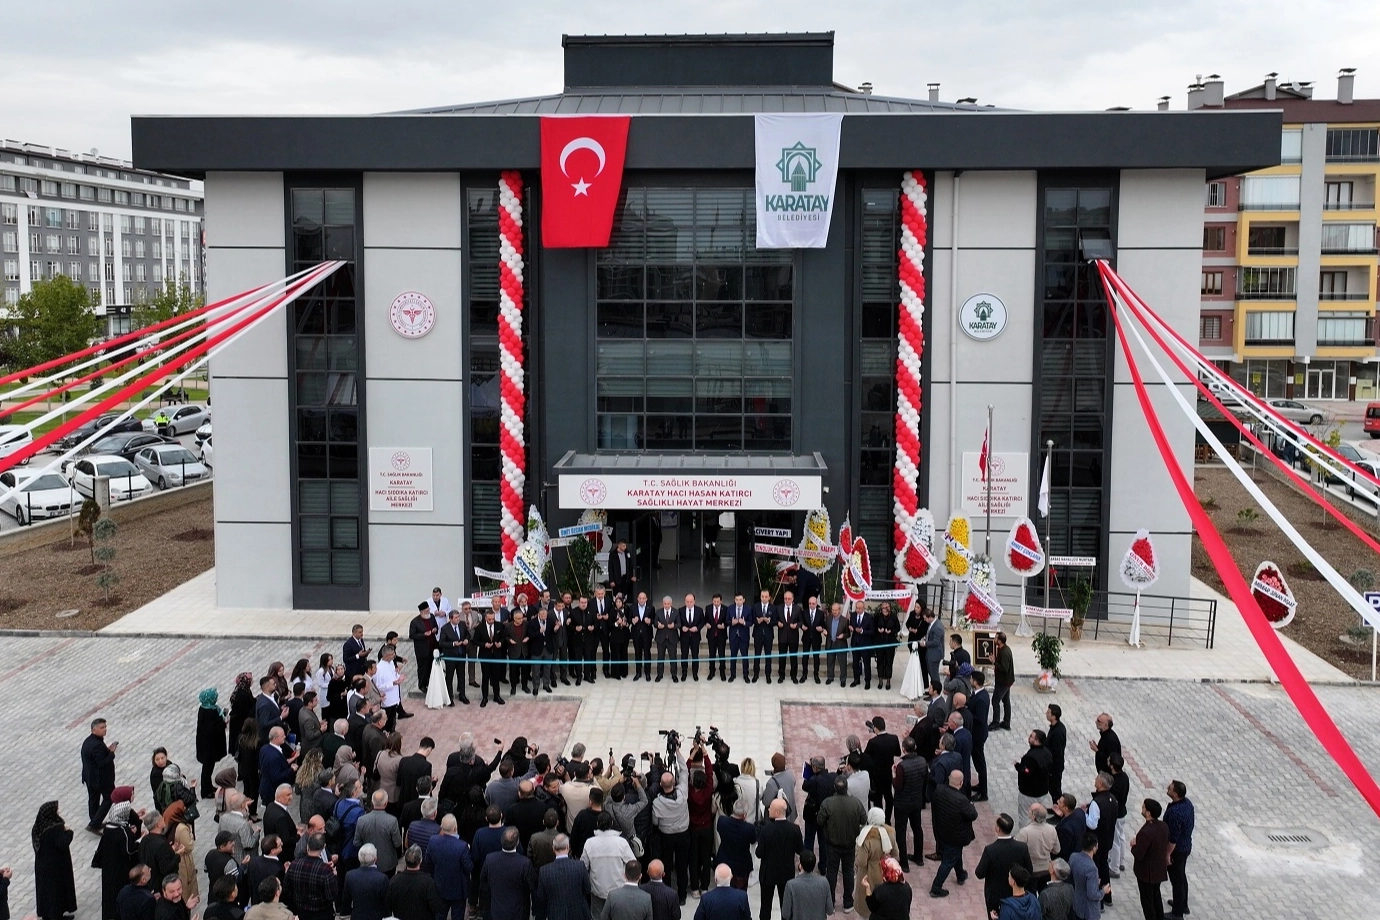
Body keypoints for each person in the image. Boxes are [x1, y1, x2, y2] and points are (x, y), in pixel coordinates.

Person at [816, 775, 865, 913]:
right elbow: (863, 819)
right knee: (848, 872)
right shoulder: (856, 803)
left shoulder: (827, 803)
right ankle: (848, 903)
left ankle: (830, 903)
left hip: (832, 844)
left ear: (834, 788)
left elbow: (820, 821)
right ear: (847, 788)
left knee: (831, 872)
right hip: (850, 843)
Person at [650, 750, 691, 904]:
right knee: (682, 864)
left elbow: (655, 822)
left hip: (666, 836)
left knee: (666, 864)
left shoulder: (657, 803)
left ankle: (667, 892)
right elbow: (684, 772)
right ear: (674, 783)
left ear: (661, 784)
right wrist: (678, 752)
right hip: (683, 834)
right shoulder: (683, 794)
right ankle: (682, 895)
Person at [928, 770, 977, 899]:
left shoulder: (939, 790)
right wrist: (971, 805)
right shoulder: (962, 800)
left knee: (955, 854)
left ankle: (960, 875)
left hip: (943, 831)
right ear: (961, 783)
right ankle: (936, 887)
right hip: (956, 835)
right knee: (948, 861)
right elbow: (973, 815)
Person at [94, 793, 141, 920]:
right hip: (119, 869)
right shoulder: (122, 831)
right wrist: (138, 840)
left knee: (108, 894)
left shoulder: (109, 827)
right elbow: (129, 850)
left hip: (108, 868)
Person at [974, 814, 1032, 918]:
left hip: (996, 897)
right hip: (1016, 893)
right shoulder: (1022, 847)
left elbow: (979, 873)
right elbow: (1029, 870)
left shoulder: (990, 850)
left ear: (998, 829)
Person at [755, 798, 801, 920]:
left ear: (777, 812)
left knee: (765, 906)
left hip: (768, 874)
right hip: (786, 873)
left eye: (770, 808)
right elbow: (800, 850)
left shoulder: (766, 830)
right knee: (785, 906)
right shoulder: (794, 829)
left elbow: (759, 853)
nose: (768, 810)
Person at [480, 828, 538, 920]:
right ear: (517, 843)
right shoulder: (524, 863)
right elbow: (533, 885)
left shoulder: (490, 859)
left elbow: (483, 882)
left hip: (496, 910)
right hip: (518, 912)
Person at [34, 801, 77, 920]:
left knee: (46, 891)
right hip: (56, 866)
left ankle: (47, 915)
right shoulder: (55, 827)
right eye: (56, 810)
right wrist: (69, 832)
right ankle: (57, 916)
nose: (58, 811)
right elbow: (62, 843)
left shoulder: (39, 825)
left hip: (42, 864)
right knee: (56, 891)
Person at [585, 814, 635, 914]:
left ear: (597, 824)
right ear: (611, 823)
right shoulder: (621, 842)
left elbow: (584, 866)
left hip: (597, 889)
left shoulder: (589, 843)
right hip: (618, 889)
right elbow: (632, 863)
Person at [852, 808, 897, 920]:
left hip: (868, 873)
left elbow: (861, 861)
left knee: (866, 901)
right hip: (885, 872)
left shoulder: (865, 837)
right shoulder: (890, 833)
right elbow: (896, 854)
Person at [890, 737, 926, 873]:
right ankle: (919, 857)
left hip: (902, 803)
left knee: (901, 831)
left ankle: (904, 863)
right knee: (917, 828)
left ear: (904, 749)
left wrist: (894, 774)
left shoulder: (902, 766)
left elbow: (897, 786)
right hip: (916, 801)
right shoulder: (922, 761)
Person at [536, 834, 592, 920]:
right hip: (578, 913)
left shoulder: (544, 871)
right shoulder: (580, 866)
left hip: (555, 914)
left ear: (553, 848)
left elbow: (541, 896)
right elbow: (587, 889)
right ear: (568, 847)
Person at [1130, 799, 1169, 920]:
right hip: (1159, 869)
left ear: (1148, 813)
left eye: (1143, 807)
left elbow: (1139, 854)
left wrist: (1134, 845)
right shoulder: (1163, 826)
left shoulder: (1146, 832)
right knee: (1156, 896)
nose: (1142, 808)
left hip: (1147, 874)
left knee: (1147, 901)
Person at [283, 834, 337, 920]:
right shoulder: (326, 870)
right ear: (323, 847)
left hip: (302, 912)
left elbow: (286, 889)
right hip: (322, 913)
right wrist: (334, 876)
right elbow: (332, 896)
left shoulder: (294, 865)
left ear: (308, 846)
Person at [83, 718, 120, 832]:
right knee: (109, 797)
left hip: (90, 777)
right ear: (94, 730)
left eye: (105, 727)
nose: (105, 729)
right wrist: (112, 752)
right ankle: (94, 824)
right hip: (100, 779)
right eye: (102, 727)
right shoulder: (97, 745)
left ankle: (95, 820)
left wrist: (106, 750)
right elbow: (102, 763)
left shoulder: (88, 741)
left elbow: (96, 757)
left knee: (93, 799)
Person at [1163, 781, 1194, 920]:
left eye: (1170, 788)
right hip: (1186, 845)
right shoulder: (1187, 804)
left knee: (1177, 881)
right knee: (1181, 877)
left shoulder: (1175, 813)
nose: (1167, 788)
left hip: (1177, 850)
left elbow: (1173, 839)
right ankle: (1182, 904)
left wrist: (1167, 854)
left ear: (1175, 794)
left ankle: (1177, 913)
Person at [389, 846, 444, 920]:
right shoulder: (428, 882)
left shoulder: (394, 880)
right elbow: (436, 906)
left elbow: (388, 905)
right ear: (420, 860)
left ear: (405, 860)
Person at [1014, 804, 1059, 894]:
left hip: (1031, 871)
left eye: (1030, 810)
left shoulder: (1025, 832)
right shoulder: (1052, 829)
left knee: (1031, 895)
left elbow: (1016, 851)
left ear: (1033, 816)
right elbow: (1057, 850)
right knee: (1045, 895)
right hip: (1047, 869)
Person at [1014, 730, 1053, 830]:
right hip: (1043, 791)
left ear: (1037, 741)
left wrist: (1018, 766)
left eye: (1031, 736)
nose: (1029, 737)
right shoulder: (1047, 752)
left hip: (1029, 793)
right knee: (1039, 814)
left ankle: (1025, 836)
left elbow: (1026, 772)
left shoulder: (1031, 757)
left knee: (1025, 815)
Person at [863, 717, 901, 821]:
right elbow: (898, 753)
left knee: (877, 797)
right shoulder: (894, 738)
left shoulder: (873, 742)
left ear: (875, 728)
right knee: (888, 796)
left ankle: (879, 819)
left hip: (876, 775)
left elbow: (866, 756)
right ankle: (887, 818)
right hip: (888, 773)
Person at [714, 799, 756, 891]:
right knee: (740, 892)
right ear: (744, 815)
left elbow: (718, 829)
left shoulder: (722, 821)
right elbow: (753, 841)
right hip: (741, 866)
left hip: (724, 861)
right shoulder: (749, 828)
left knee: (723, 891)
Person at [341, 845, 391, 920]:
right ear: (375, 859)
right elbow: (387, 904)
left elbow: (346, 901)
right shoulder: (382, 878)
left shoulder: (350, 876)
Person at [163, 801, 199, 904]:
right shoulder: (182, 828)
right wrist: (190, 834)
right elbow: (189, 846)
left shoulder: (171, 824)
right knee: (187, 887)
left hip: (179, 857)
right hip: (184, 861)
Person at [781, 851, 830, 920]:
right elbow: (830, 910)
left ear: (800, 865)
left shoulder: (790, 885)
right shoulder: (824, 882)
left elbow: (786, 914)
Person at [1071, 834, 1109, 920]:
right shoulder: (1092, 868)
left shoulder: (1073, 857)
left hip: (1077, 904)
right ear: (1094, 848)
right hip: (1088, 911)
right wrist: (1104, 891)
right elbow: (1092, 895)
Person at [439, 609, 472, 704]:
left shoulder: (462, 625)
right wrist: (453, 644)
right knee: (449, 677)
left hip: (461, 655)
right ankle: (449, 697)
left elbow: (468, 635)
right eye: (456, 617)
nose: (458, 619)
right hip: (450, 657)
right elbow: (441, 643)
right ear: (450, 619)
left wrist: (466, 640)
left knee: (461, 676)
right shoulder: (445, 628)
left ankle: (462, 695)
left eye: (458, 617)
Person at [1106, 755, 1131, 879]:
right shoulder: (1124, 776)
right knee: (1121, 837)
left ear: (1111, 766)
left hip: (1116, 814)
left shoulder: (1115, 783)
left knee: (1115, 840)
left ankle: (1114, 868)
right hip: (1122, 812)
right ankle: (1121, 861)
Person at [410, 600, 439, 695]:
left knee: (431, 666)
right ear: (422, 612)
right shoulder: (415, 622)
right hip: (422, 649)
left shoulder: (432, 617)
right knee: (423, 668)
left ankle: (430, 682)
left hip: (432, 646)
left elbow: (436, 626)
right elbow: (412, 635)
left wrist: (435, 629)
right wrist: (424, 635)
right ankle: (422, 685)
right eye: (426, 611)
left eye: (428, 610)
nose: (428, 612)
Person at [750, 590, 776, 685]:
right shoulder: (755, 606)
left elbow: (775, 621)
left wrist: (769, 621)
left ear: (769, 597)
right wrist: (758, 621)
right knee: (757, 655)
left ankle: (768, 675)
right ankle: (755, 674)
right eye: (762, 596)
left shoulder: (773, 608)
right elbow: (752, 619)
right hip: (758, 634)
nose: (764, 598)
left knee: (768, 655)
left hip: (768, 635)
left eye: (766, 597)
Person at [873, 603, 900, 691]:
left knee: (889, 662)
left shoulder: (894, 617)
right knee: (880, 661)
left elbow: (898, 628)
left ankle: (888, 681)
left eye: (887, 607)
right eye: (883, 608)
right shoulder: (877, 617)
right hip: (880, 642)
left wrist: (891, 631)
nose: (885, 609)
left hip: (890, 643)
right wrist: (878, 630)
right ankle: (880, 680)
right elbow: (873, 627)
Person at [678, 593, 705, 682]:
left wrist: (697, 628)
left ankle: (695, 673)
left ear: (694, 601)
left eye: (691, 601)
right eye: (687, 602)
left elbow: (702, 622)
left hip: (695, 637)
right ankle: (684, 673)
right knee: (684, 655)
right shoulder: (681, 610)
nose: (689, 603)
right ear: (685, 601)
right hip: (684, 637)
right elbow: (678, 622)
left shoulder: (699, 610)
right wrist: (682, 627)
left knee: (695, 655)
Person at [991, 632, 1015, 730]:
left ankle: (996, 723)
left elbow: (1004, 668)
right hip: (1006, 680)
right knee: (1006, 700)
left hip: (1003, 681)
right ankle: (1006, 722)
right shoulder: (1002, 649)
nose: (994, 639)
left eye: (996, 638)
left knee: (995, 700)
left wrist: (994, 663)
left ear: (1000, 641)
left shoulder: (1005, 652)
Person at [1045, 705, 1068, 803]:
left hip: (1055, 766)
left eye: (1048, 712)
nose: (1046, 714)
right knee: (1052, 787)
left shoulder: (1057, 732)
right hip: (1053, 764)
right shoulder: (1055, 727)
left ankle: (1059, 807)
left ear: (1054, 716)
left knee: (1055, 789)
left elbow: (1057, 751)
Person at [726, 593, 751, 682]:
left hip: (744, 637)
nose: (738, 601)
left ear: (743, 600)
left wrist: (744, 622)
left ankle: (746, 675)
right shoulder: (730, 608)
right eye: (736, 600)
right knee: (733, 656)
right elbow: (726, 621)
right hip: (733, 636)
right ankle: (732, 675)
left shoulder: (748, 609)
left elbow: (751, 622)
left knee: (745, 656)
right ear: (734, 600)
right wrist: (731, 623)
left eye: (740, 600)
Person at [705, 594, 728, 681]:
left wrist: (724, 625)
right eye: (714, 601)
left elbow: (727, 620)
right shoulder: (708, 608)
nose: (716, 603)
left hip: (721, 636)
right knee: (712, 654)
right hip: (711, 635)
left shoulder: (725, 609)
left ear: (721, 601)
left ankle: (722, 672)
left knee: (722, 654)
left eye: (718, 601)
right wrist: (706, 623)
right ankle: (712, 671)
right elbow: (705, 619)